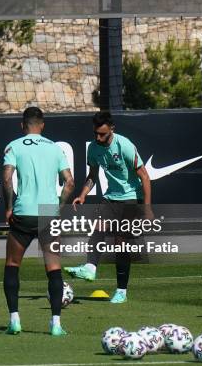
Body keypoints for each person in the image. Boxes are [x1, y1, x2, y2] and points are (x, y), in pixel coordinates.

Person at [65, 111, 152, 304]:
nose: (98, 138)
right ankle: (90, 268)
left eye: (102, 134)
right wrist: (82, 195)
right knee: (98, 228)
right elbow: (92, 175)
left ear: (112, 129)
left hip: (131, 198)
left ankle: (121, 291)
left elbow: (145, 177)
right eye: (96, 134)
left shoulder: (125, 146)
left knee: (121, 243)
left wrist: (147, 208)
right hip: (111, 197)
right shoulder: (94, 149)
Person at [2, 107, 74, 336]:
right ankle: (56, 324)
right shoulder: (54, 148)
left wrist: (8, 207)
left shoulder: (14, 146)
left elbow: (6, 178)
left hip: (23, 213)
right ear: (42, 125)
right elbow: (70, 183)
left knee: (12, 266)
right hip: (48, 213)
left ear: (22, 125)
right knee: (53, 269)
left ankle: (14, 320)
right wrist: (58, 207)